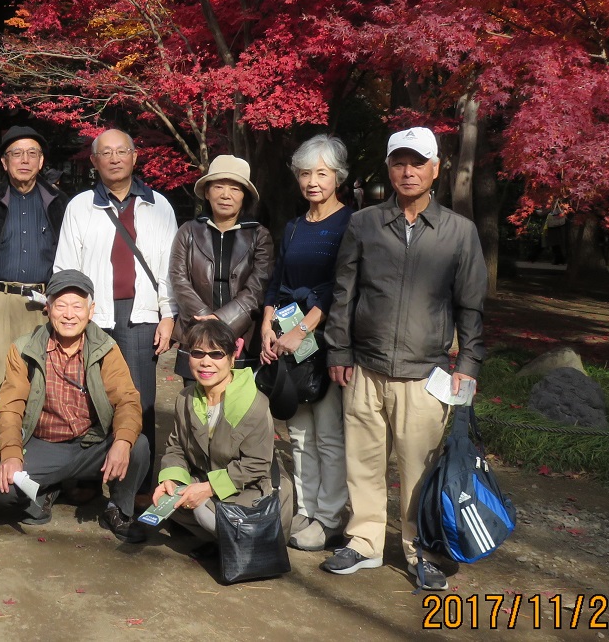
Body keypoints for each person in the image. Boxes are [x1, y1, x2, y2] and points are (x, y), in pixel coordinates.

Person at [320, 127, 487, 591]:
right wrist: (338, 348)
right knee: (363, 462)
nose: (408, 171)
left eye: (418, 163)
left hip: (425, 372)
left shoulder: (459, 232)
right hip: (365, 367)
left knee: (419, 470)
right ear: (389, 168)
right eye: (399, 162)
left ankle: (422, 550)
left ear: (436, 169)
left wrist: (468, 366)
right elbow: (344, 292)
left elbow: (472, 307)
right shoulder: (364, 223)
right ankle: (365, 541)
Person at [54, 129, 177, 496]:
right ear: (94, 161)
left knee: (140, 399)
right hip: (93, 316)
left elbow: (171, 267)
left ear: (134, 156)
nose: (114, 158)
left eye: (121, 151)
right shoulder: (80, 206)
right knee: (90, 398)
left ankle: (137, 489)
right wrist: (73, 315)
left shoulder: (159, 205)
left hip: (141, 315)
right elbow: (66, 267)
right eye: (105, 153)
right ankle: (89, 480)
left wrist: (168, 314)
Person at [0, 270, 150, 543]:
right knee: (2, 491)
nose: (68, 315)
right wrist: (11, 454)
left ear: (91, 310)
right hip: (44, 444)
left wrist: (122, 441)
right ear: (48, 308)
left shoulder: (106, 348)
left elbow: (127, 399)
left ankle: (118, 510)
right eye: (61, 305)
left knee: (138, 446)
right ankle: (47, 492)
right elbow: (10, 407)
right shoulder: (24, 349)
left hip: (92, 444)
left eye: (77, 306)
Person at [260, 135, 353, 551]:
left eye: (322, 173)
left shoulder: (350, 223)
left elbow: (340, 286)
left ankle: (329, 517)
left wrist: (303, 329)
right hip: (287, 336)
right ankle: (306, 507)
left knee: (328, 432)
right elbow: (277, 281)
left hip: (325, 338)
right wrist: (268, 325)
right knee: (297, 432)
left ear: (338, 177)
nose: (313, 181)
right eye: (305, 173)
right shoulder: (295, 226)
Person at [153, 320, 289, 551]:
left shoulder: (253, 404)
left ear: (232, 358)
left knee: (201, 509)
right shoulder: (186, 398)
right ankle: (220, 543)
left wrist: (208, 489)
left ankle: (238, 546)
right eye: (197, 353)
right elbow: (176, 447)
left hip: (252, 490)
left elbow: (256, 465)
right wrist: (172, 480)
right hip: (211, 479)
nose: (205, 362)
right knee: (169, 499)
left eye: (216, 354)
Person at [0, 126, 68, 389]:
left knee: (40, 380)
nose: (25, 160)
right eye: (17, 153)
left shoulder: (59, 203)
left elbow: (70, 256)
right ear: (4, 161)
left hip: (43, 304)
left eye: (32, 153)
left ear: (41, 161)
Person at [168, 154, 273, 376]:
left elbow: (257, 287)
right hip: (195, 334)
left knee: (237, 397)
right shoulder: (188, 231)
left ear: (244, 196)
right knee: (195, 397)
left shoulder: (259, 235)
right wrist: (205, 322)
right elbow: (179, 280)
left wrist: (221, 321)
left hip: (242, 335)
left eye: (235, 188)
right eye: (218, 187)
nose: (226, 195)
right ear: (207, 192)